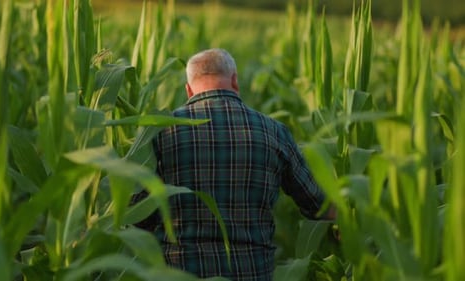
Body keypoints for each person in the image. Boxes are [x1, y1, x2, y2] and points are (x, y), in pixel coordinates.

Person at [132, 48, 335, 280]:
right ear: (235, 81)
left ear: (188, 90)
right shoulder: (273, 132)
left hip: (181, 272)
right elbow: (318, 204)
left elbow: (138, 214)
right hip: (251, 272)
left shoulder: (160, 131)